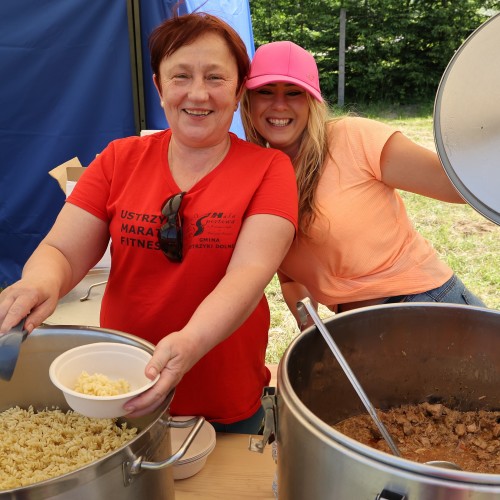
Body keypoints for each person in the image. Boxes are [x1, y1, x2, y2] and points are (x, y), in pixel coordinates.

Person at [0, 14, 298, 433]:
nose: (198, 93)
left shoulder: (269, 169)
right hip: (122, 392)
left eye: (215, 77)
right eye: (181, 76)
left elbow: (248, 276)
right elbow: (62, 251)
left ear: (236, 91)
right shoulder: (119, 159)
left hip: (224, 398)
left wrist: (191, 340)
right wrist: (40, 283)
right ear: (159, 87)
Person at [240, 40, 485, 330]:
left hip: (425, 307)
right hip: (357, 330)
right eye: (265, 92)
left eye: (294, 92)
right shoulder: (259, 177)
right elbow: (290, 277)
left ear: (312, 101)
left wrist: (485, 131)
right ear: (248, 100)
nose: (278, 104)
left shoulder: (352, 138)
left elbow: (457, 185)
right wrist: (314, 332)